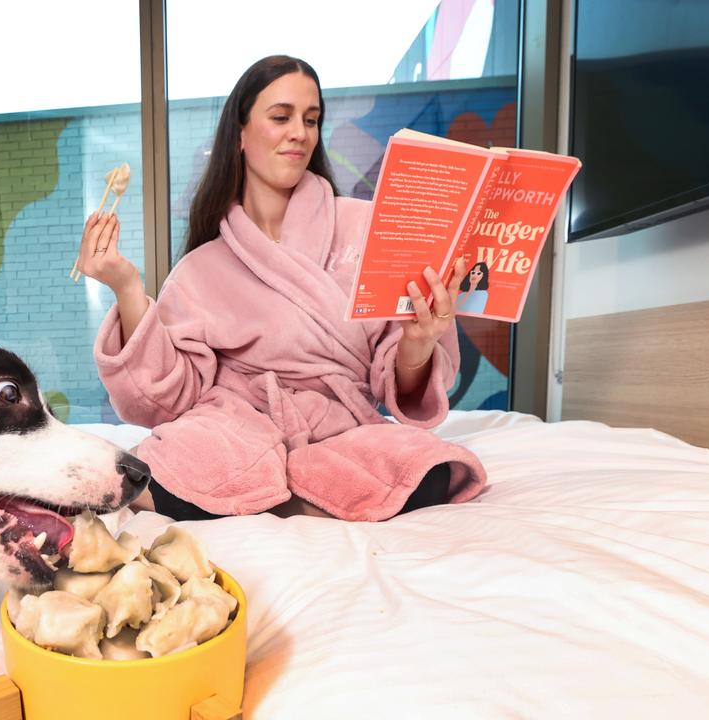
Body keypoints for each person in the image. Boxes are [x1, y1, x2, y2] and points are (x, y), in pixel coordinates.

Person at [74, 55, 487, 521]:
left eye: (311, 120)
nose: (300, 133)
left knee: (424, 466)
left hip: (341, 428)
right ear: (240, 134)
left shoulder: (368, 227)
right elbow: (164, 401)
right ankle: (305, 495)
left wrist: (418, 342)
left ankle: (263, 497)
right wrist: (127, 288)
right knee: (175, 459)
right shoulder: (201, 267)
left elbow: (400, 386)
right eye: (281, 117)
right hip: (238, 427)